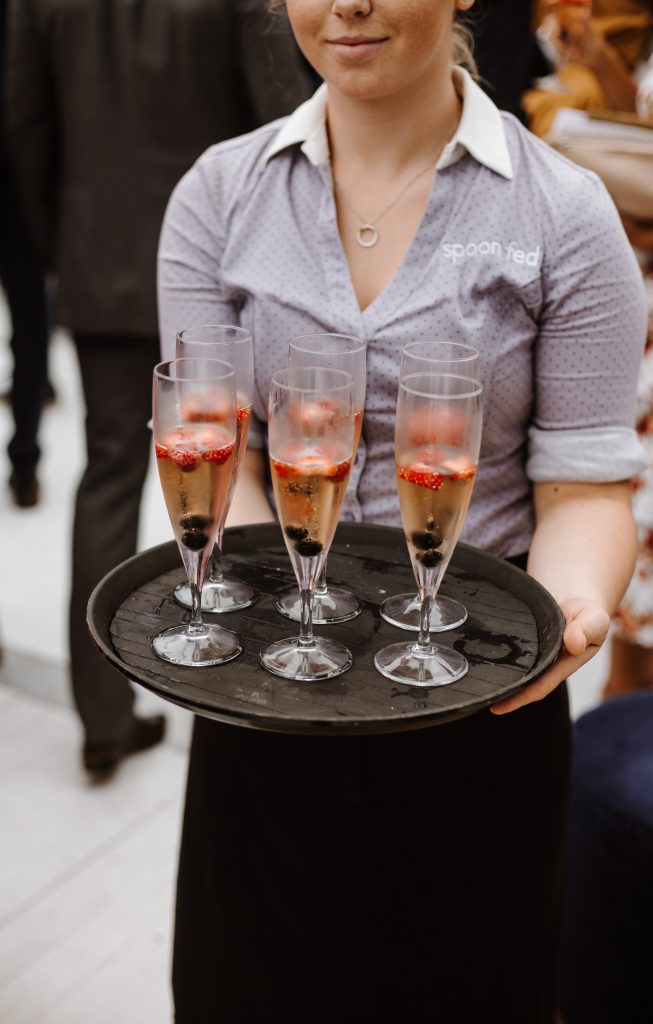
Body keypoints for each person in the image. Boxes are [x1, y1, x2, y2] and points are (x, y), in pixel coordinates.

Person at [158, 0, 647, 1019]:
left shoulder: (561, 213)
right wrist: (256, 593)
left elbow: (583, 487)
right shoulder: (220, 192)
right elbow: (217, 457)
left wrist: (568, 607)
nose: (347, 4)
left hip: (479, 708)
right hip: (270, 699)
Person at [6, 0, 313, 777]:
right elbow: (282, 122)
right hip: (225, 267)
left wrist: (62, 248)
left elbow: (25, 126)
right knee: (242, 468)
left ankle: (102, 717)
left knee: (111, 475)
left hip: (102, 257)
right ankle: (267, 681)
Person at [0, 0, 49, 509]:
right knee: (31, 331)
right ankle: (24, 463)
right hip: (19, 188)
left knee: (31, 331)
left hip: (20, 190)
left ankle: (25, 460)